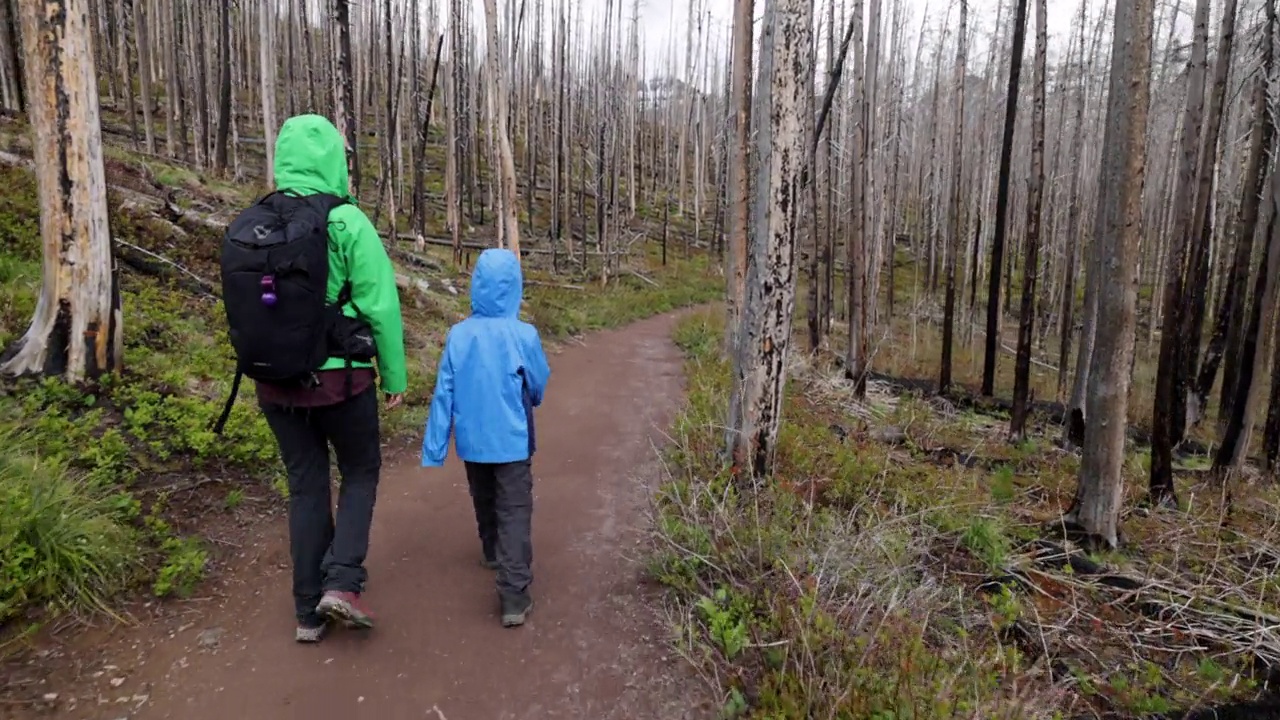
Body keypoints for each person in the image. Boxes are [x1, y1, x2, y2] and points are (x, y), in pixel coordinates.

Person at [252, 115, 407, 642]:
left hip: (275, 381)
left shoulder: (256, 220)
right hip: (343, 381)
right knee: (360, 472)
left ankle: (307, 614)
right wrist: (394, 374)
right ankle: (341, 583)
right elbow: (381, 306)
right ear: (334, 162)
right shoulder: (347, 222)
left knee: (306, 485)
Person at [421, 248, 550, 628]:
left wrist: (435, 448)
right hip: (512, 438)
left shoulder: (459, 335)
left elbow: (444, 392)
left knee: (483, 496)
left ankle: (492, 550)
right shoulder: (524, 334)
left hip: (472, 440)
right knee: (514, 510)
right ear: (515, 287)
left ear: (476, 286)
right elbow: (538, 382)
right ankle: (513, 594)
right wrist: (534, 398)